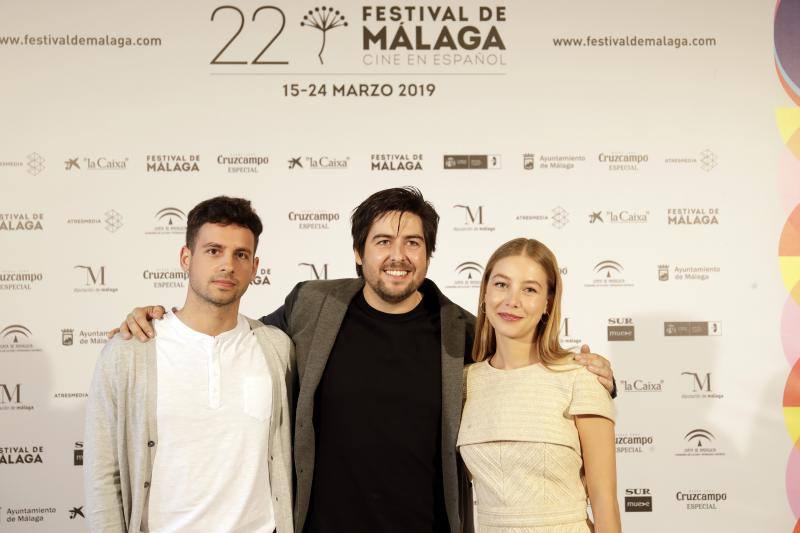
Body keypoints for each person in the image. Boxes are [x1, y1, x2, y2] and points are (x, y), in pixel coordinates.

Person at [113, 187, 615, 533]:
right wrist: (161, 320)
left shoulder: (463, 330)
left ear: (429, 255)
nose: (397, 256)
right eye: (383, 242)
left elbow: (522, 372)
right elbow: (231, 334)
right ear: (358, 253)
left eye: (412, 243)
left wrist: (593, 374)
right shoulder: (312, 305)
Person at [85, 197, 294, 533]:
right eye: (213, 250)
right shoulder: (131, 351)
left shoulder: (276, 349)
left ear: (254, 267)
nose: (228, 265)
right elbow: (102, 475)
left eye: (240, 255)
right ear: (186, 258)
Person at [457, 238, 620, 533]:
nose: (512, 300)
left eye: (529, 289)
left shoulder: (580, 376)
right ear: (484, 292)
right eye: (501, 284)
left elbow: (604, 501)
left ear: (547, 303)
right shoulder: (465, 383)